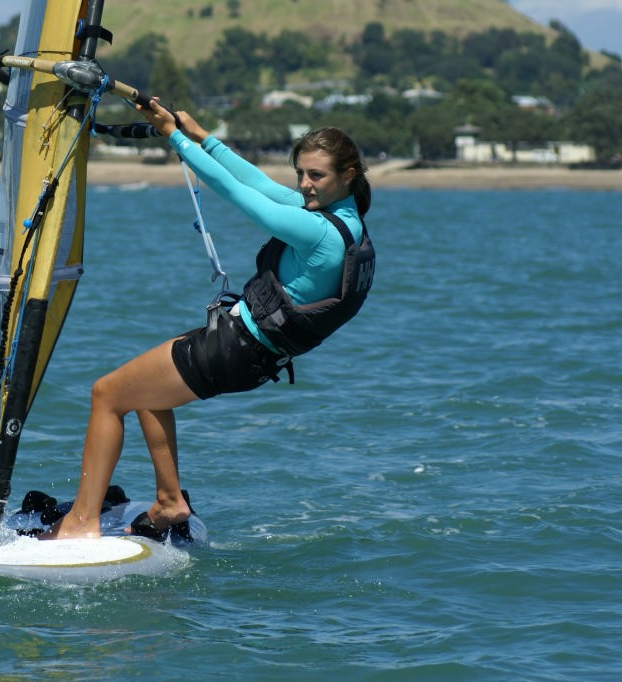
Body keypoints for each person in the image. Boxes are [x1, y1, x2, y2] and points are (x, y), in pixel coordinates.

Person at [42, 99, 374, 540]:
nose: (305, 185)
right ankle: (169, 501)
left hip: (234, 348)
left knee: (107, 394)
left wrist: (173, 138)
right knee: (145, 392)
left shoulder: (318, 233)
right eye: (301, 174)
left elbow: (239, 194)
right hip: (249, 354)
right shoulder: (346, 226)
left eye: (316, 176)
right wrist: (202, 137)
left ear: (347, 176)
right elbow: (256, 180)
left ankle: (80, 523)